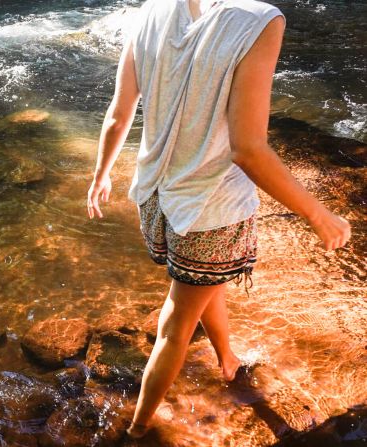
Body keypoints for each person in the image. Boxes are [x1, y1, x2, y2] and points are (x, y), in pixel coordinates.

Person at [85, 0, 352, 439]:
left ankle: (227, 359)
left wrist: (101, 175)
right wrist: (317, 213)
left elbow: (119, 112)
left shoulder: (148, 11)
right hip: (211, 209)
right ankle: (137, 429)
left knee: (201, 287)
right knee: (175, 327)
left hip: (155, 196)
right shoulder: (261, 21)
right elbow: (247, 149)